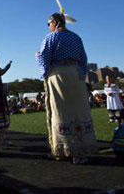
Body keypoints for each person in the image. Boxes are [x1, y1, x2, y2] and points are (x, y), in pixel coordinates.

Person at [35, 13, 98, 164]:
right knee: (79, 110)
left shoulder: (51, 38)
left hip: (58, 75)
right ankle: (80, 151)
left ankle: (63, 149)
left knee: (61, 111)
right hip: (76, 74)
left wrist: (37, 57)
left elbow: (44, 59)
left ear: (55, 22)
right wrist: (81, 74)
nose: (48, 26)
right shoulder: (76, 37)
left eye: (49, 23)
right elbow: (84, 59)